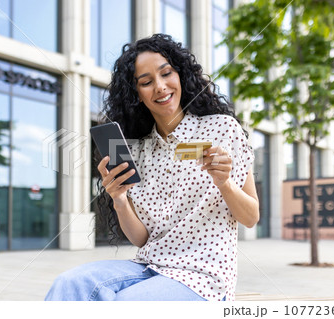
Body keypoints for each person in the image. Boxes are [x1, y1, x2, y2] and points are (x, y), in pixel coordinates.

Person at [45, 33, 259, 301]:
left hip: (203, 276)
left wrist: (225, 184)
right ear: (137, 94)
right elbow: (141, 239)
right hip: (150, 266)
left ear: (180, 75)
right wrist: (119, 199)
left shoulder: (223, 129)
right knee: (69, 283)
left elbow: (251, 217)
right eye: (146, 82)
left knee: (126, 305)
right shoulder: (137, 150)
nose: (160, 86)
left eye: (166, 73)